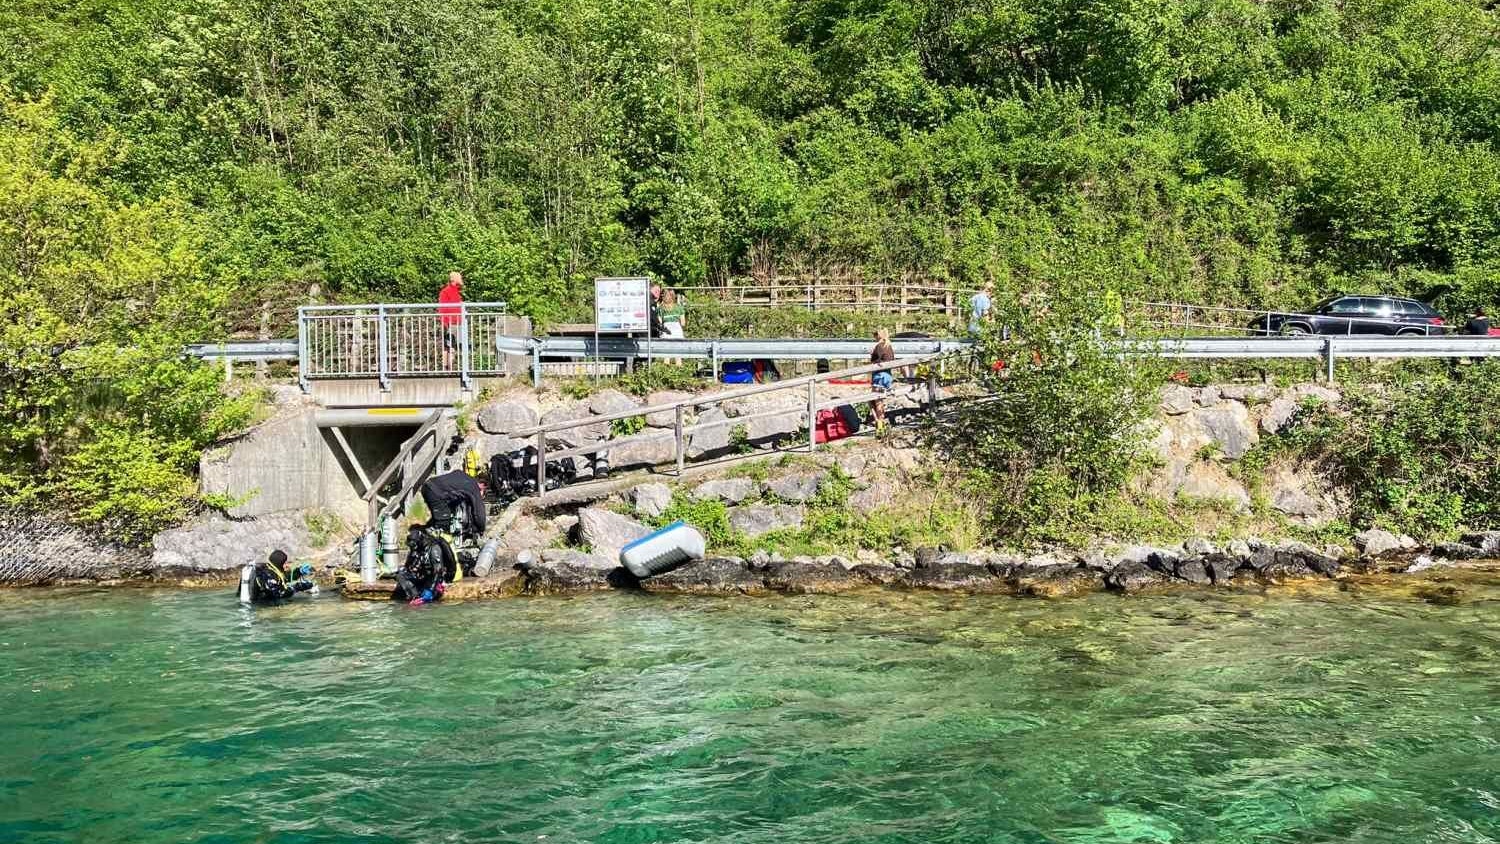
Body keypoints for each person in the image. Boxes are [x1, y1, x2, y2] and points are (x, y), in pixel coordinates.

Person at [420, 469, 487, 540]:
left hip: (427, 486)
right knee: (444, 525)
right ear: (483, 485)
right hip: (436, 493)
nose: (482, 494)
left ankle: (425, 531)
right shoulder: (474, 488)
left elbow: (454, 492)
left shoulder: (463, 475)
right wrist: (481, 529)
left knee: (440, 515)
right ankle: (428, 541)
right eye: (483, 491)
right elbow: (479, 513)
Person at [248, 550, 315, 604]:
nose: (287, 565)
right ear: (279, 563)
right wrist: (298, 587)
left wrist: (299, 571)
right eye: (284, 563)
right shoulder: (268, 575)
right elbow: (279, 594)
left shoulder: (270, 568)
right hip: (260, 607)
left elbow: (283, 578)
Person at [870, 329, 896, 431]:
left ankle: (879, 424)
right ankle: (880, 421)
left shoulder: (878, 346)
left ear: (878, 336)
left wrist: (871, 355)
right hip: (888, 376)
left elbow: (875, 361)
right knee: (879, 400)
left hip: (879, 376)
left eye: (875, 335)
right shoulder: (889, 346)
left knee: (877, 401)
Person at [439, 271, 465, 370]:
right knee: (449, 346)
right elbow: (442, 308)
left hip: (457, 322)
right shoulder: (446, 291)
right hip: (451, 323)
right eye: (459, 277)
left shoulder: (456, 291)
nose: (461, 279)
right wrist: (445, 323)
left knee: (452, 346)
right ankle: (447, 368)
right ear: (454, 279)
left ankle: (449, 368)